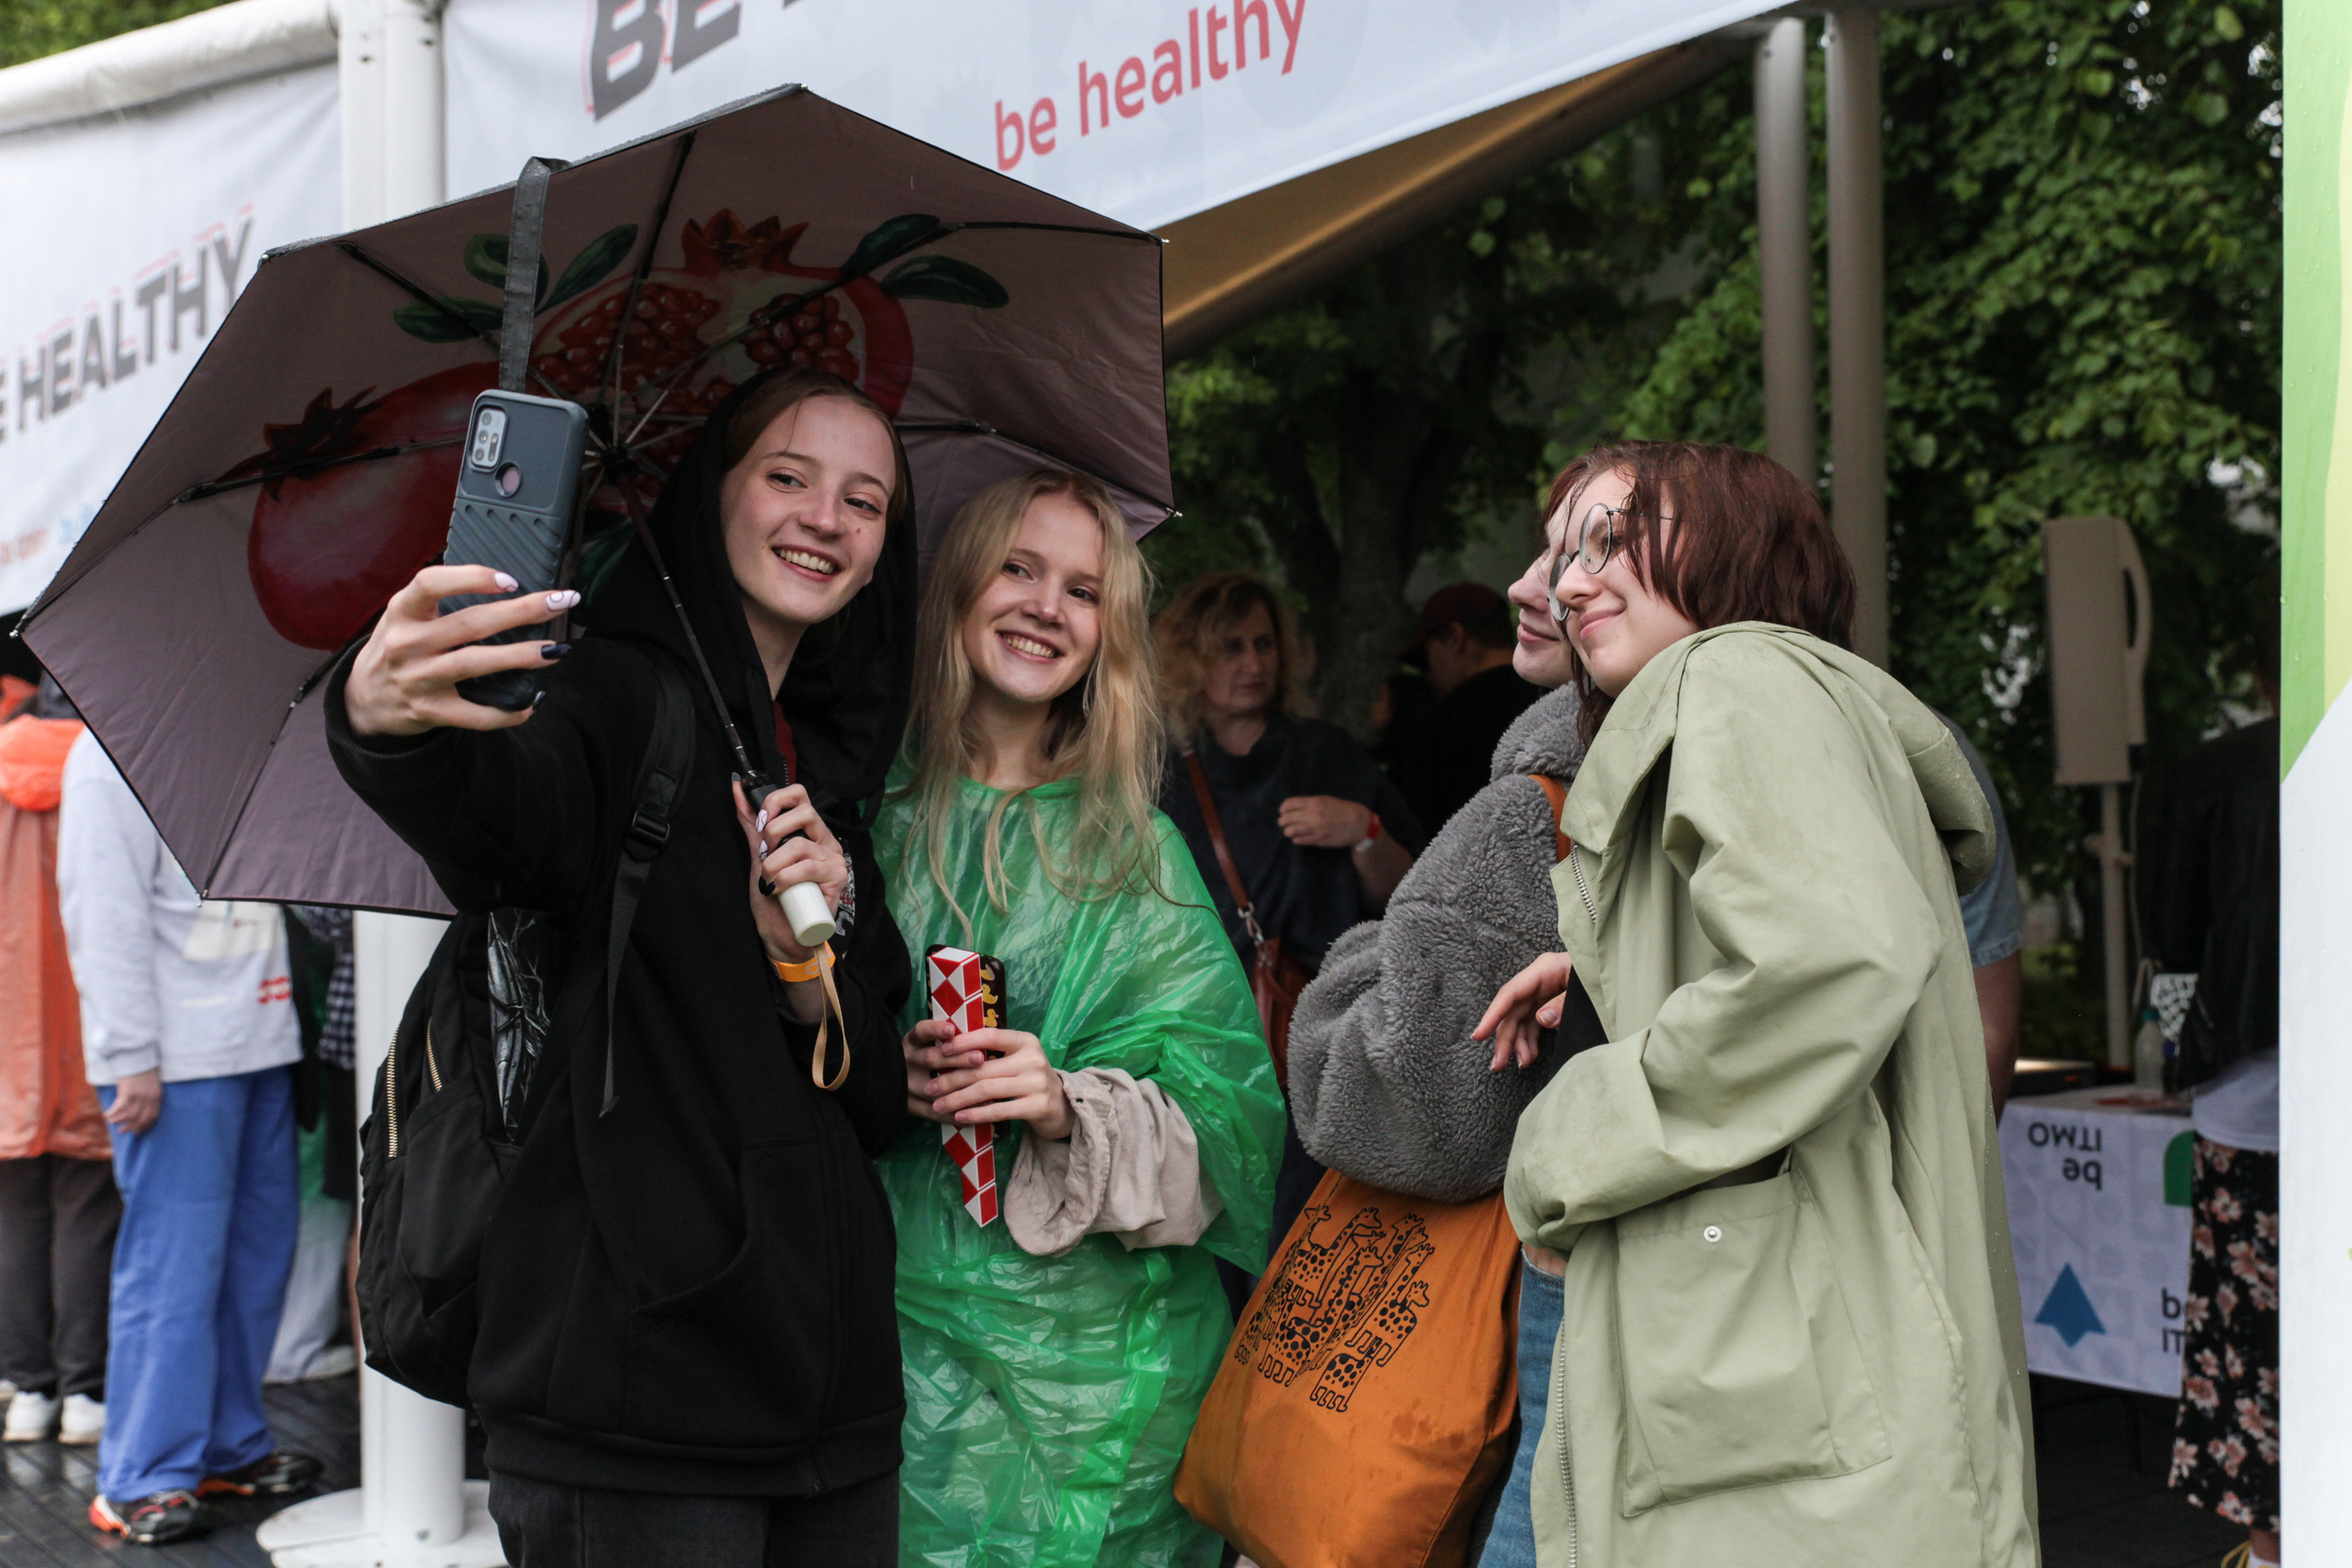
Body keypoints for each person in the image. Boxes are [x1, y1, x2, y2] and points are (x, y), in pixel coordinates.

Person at [329, 367, 916, 1567]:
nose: (826, 518)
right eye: (789, 476)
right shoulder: (601, 695)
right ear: (716, 494)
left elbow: (877, 1099)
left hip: (834, 1418)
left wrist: (801, 956)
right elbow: (495, 811)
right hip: (630, 1414)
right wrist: (385, 720)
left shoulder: (827, 775)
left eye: (865, 500)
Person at [1476, 441, 2036, 1565]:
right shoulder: (1795, 696)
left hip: (1783, 1394)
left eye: (1608, 538)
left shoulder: (1734, 676)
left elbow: (1829, 960)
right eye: (1563, 552)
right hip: (1820, 1386)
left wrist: (1569, 1142)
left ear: (1733, 540)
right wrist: (1611, 969)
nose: (1568, 582)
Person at [874, 470, 1282, 1567]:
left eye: (1083, 590)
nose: (1046, 607)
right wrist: (874, 1065)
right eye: (1017, 568)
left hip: (1109, 1385)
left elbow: (1234, 1133)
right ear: (957, 588)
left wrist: (1064, 1105)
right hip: (887, 1359)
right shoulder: (857, 817)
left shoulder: (1132, 847)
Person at [1285, 499, 1595, 1568]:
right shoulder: (1794, 779)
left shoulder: (1534, 807)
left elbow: (1395, 1106)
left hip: (1558, 1324)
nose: (1529, 583)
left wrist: (1366, 958)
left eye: (1573, 553)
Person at [56, 723, 318, 1545]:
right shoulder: (105, 757)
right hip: (173, 1059)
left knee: (253, 1263)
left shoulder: (238, 733)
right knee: (173, 1273)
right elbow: (101, 911)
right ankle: (142, 1475)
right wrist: (129, 1053)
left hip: (264, 1035)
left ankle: (228, 1446)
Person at [1153, 572, 1422, 1255]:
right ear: (1190, 657)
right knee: (1211, 1239)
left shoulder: (1323, 752)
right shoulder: (1160, 773)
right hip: (1202, 1044)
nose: (1251, 664)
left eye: (1263, 644)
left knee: (1303, 1243)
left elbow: (1415, 896)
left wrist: (1362, 827)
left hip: (1318, 1040)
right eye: (1229, 647)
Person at [2139, 653, 2279, 1568]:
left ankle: (2272, 1545)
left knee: (2251, 1347)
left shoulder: (2203, 778)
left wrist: (2176, 1057)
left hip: (2243, 1102)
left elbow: (2173, 948)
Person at [0, 676, 116, 1450]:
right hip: (91, 1021)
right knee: (88, 1207)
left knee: (13, 1211)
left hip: (6, 1032)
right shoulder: (108, 772)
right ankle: (87, 1391)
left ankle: (26, 1388)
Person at [1386, 582, 1543, 835]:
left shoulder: (1436, 725)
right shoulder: (1553, 700)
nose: (1429, 675)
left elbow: (1414, 835)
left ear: (1454, 637)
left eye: (1427, 657)